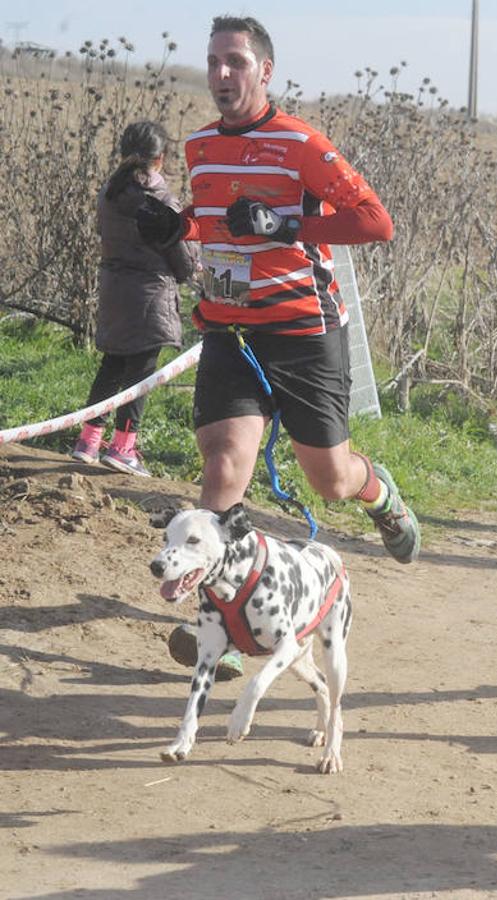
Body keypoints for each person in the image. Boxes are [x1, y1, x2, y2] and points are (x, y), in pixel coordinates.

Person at [136, 16, 420, 671]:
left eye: (235, 61)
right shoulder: (200, 145)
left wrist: (287, 225)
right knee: (222, 468)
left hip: (303, 331)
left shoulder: (300, 144)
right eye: (214, 61)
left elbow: (376, 223)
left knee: (329, 478)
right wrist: (174, 226)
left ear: (265, 71)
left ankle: (381, 495)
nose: (221, 74)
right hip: (231, 328)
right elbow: (211, 219)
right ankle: (227, 630)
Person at [71, 121, 198, 477]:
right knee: (140, 377)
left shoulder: (109, 192)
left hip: (114, 292)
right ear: (161, 158)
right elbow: (183, 259)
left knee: (111, 366)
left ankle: (88, 441)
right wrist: (194, 265)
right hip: (149, 299)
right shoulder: (161, 201)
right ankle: (123, 449)